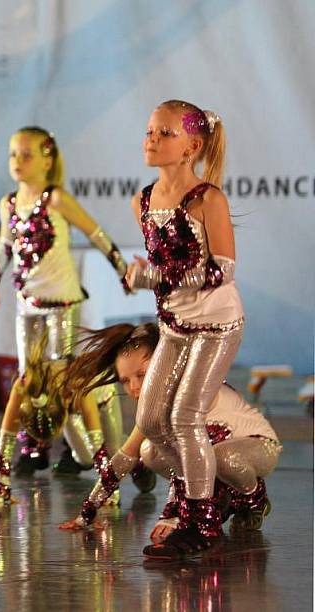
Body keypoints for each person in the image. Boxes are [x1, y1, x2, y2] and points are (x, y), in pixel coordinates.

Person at [123, 100, 246, 558]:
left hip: (215, 324)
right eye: (150, 131)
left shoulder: (207, 198)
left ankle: (201, 521)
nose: (151, 139)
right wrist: (143, 278)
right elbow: (162, 265)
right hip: (175, 324)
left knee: (184, 418)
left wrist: (154, 278)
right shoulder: (142, 200)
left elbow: (222, 270)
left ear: (192, 145)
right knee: (151, 419)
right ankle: (207, 488)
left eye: (164, 133)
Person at [0, 126, 129, 500]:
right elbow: (5, 244)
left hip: (61, 302)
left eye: (27, 154)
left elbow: (94, 232)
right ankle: (35, 442)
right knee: (30, 378)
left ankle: (91, 453)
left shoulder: (57, 199)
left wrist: (121, 267)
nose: (18, 161)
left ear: (48, 158)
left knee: (61, 378)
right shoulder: (8, 204)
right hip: (27, 303)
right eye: (13, 154)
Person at [58, 324, 280, 545]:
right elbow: (124, 460)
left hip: (256, 445)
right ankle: (217, 498)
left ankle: (254, 499)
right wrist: (87, 512)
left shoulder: (192, 391)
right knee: (149, 450)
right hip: (211, 459)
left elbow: (191, 456)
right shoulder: (153, 409)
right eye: (125, 380)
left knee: (223, 459)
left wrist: (173, 513)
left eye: (142, 375)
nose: (134, 387)